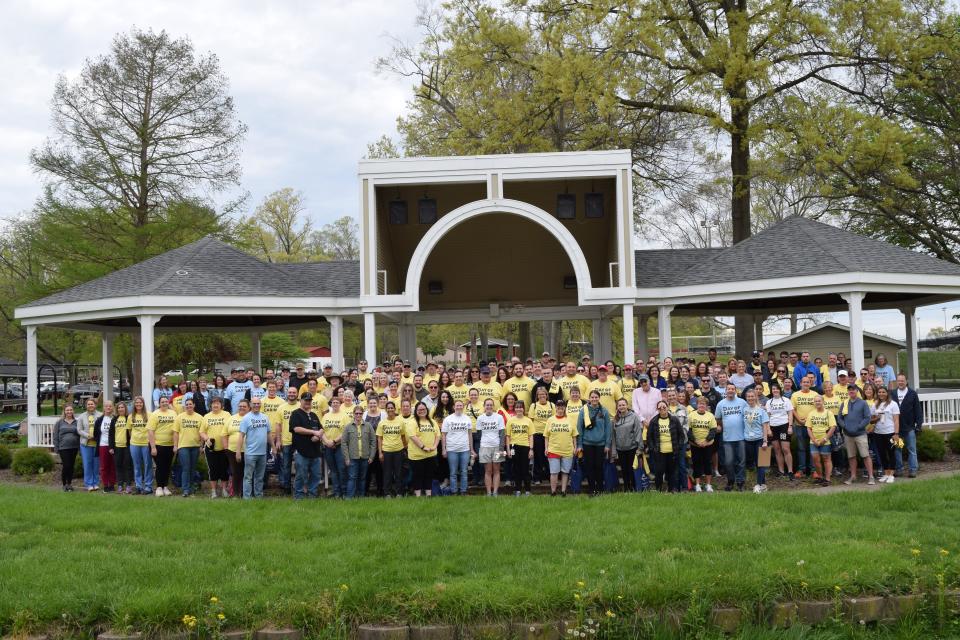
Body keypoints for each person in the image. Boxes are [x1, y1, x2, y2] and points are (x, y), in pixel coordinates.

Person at [838, 384, 875, 486]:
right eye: (849, 390)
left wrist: (858, 427)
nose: (851, 391)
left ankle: (871, 476)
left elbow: (867, 417)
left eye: (853, 389)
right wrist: (844, 426)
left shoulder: (863, 403)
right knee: (851, 456)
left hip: (860, 434)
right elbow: (840, 418)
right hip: (848, 434)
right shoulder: (844, 403)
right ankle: (853, 476)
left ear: (857, 391)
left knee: (865, 455)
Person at [289, 392, 324, 499]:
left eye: (309, 400)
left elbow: (321, 428)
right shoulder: (296, 413)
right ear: (300, 401)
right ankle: (298, 496)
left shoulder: (313, 415)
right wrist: (313, 433)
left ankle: (312, 495)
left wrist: (318, 436)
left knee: (316, 475)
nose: (308, 402)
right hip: (301, 451)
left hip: (315, 451)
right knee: (301, 475)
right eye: (306, 400)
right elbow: (296, 429)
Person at [578, 390, 612, 496]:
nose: (594, 399)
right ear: (589, 398)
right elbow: (579, 428)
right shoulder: (583, 411)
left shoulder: (604, 411)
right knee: (589, 467)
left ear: (599, 398)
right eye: (592, 397)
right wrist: (579, 445)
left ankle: (600, 489)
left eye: (596, 397)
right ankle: (592, 489)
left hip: (600, 444)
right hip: (587, 443)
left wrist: (607, 444)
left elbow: (608, 429)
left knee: (599, 466)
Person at [645, 400, 685, 492]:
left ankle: (672, 490)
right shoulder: (654, 421)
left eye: (664, 407)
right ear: (657, 409)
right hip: (659, 452)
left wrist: (678, 446)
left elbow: (681, 435)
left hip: (672, 451)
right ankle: (659, 490)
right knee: (659, 472)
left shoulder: (674, 420)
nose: (662, 409)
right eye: (660, 408)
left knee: (672, 472)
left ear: (667, 408)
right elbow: (649, 437)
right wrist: (652, 448)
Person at [715, 384, 748, 492]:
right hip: (727, 438)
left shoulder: (742, 402)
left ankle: (740, 482)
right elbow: (718, 419)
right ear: (726, 390)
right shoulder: (721, 404)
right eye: (728, 389)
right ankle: (730, 481)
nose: (730, 390)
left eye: (732, 389)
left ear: (735, 391)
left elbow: (748, 415)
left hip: (741, 437)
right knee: (728, 462)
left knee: (741, 461)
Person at [238, 397, 272, 499]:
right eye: (254, 404)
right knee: (248, 477)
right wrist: (238, 452)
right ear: (250, 405)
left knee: (260, 477)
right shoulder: (246, 418)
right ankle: (247, 498)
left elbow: (269, 433)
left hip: (263, 453)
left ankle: (258, 496)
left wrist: (273, 447)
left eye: (258, 403)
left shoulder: (265, 417)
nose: (256, 405)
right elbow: (241, 436)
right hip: (250, 453)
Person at [544, 400, 578, 497]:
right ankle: (553, 491)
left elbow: (574, 435)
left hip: (567, 450)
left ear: (565, 408)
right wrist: (546, 448)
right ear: (556, 408)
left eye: (562, 407)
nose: (560, 409)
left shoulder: (570, 420)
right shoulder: (550, 420)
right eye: (558, 407)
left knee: (565, 472)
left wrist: (575, 447)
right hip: (553, 449)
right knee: (554, 472)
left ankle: (563, 491)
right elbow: (546, 435)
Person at [441, 400, 475, 496]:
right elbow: (443, 435)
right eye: (457, 405)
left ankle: (463, 490)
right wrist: (444, 449)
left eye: (460, 405)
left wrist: (471, 449)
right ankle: (454, 491)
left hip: (465, 449)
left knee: (464, 471)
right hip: (452, 449)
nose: (459, 407)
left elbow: (469, 434)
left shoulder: (467, 418)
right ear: (453, 407)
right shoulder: (448, 419)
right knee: (453, 472)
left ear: (463, 407)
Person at [407, 401, 441, 497]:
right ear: (416, 411)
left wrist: (434, 446)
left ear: (427, 410)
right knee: (418, 476)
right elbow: (413, 437)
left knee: (429, 475)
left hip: (431, 454)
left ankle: (428, 495)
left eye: (423, 409)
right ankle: (418, 496)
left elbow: (437, 435)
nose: (422, 411)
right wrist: (423, 447)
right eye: (419, 409)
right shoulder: (412, 422)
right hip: (417, 455)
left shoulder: (432, 421)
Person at [199, 397, 231, 498]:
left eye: (217, 403)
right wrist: (206, 439)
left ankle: (224, 490)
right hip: (211, 448)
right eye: (213, 403)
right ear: (210, 405)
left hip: (224, 447)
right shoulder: (206, 416)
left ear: (221, 405)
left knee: (224, 469)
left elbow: (231, 429)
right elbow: (201, 431)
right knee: (213, 470)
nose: (215, 405)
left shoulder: (227, 415)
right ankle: (213, 491)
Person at [892, 373, 922, 478]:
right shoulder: (892, 393)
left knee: (911, 449)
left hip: (909, 428)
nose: (900, 382)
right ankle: (899, 469)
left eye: (902, 380)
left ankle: (913, 470)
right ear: (897, 381)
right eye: (899, 380)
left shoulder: (912, 393)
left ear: (906, 381)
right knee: (897, 449)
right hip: (896, 429)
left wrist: (919, 425)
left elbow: (918, 410)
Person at [344, 404, 377, 498]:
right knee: (352, 478)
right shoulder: (348, 427)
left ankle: (361, 497)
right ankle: (349, 498)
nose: (358, 415)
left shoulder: (368, 426)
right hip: (352, 457)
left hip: (365, 457)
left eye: (360, 413)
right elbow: (344, 443)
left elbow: (373, 441)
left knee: (362, 478)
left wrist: (371, 456)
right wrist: (346, 458)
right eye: (356, 413)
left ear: (363, 414)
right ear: (353, 414)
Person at [172, 398, 204, 497]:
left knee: (192, 468)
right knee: (186, 468)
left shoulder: (199, 417)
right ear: (184, 406)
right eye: (187, 404)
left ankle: (191, 488)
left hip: (195, 446)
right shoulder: (179, 417)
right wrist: (175, 446)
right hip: (183, 446)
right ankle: (185, 489)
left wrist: (201, 446)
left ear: (194, 405)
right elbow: (175, 433)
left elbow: (202, 432)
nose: (189, 406)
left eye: (190, 404)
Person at [476, 398, 507, 496]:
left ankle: (495, 492)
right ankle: (489, 492)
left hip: (497, 447)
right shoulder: (480, 418)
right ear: (484, 406)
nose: (489, 407)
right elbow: (479, 434)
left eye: (490, 405)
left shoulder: (499, 417)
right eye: (487, 405)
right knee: (488, 470)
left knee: (496, 470)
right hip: (485, 447)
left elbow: (502, 434)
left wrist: (501, 449)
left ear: (493, 406)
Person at [320, 396, 350, 498]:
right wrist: (327, 442)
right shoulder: (326, 416)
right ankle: (337, 493)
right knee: (333, 470)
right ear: (331, 404)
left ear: (340, 404)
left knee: (342, 469)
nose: (335, 404)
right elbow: (321, 431)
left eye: (337, 402)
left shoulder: (344, 416)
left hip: (339, 446)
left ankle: (344, 492)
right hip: (328, 446)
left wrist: (334, 441)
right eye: (333, 402)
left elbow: (346, 432)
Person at [791, 376, 820, 479]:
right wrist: (799, 420)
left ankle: (814, 470)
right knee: (801, 448)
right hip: (799, 425)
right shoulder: (795, 395)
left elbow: (818, 408)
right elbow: (793, 409)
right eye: (804, 382)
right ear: (800, 383)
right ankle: (801, 470)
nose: (806, 384)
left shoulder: (815, 394)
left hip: (812, 426)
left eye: (808, 382)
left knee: (813, 448)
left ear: (810, 383)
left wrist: (808, 420)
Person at [376, 401, 407, 498]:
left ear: (395, 409)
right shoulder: (382, 423)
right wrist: (380, 453)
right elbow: (379, 439)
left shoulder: (400, 421)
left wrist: (405, 448)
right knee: (387, 473)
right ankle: (387, 493)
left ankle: (399, 493)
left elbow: (403, 436)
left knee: (399, 473)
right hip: (387, 451)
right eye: (388, 408)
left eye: (391, 408)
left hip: (399, 450)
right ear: (386, 410)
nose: (390, 409)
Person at [743, 390, 771, 493]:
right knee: (755, 463)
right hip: (748, 440)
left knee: (762, 463)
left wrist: (765, 441)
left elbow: (765, 427)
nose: (750, 398)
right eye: (748, 396)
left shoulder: (761, 410)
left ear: (755, 397)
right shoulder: (744, 409)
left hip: (760, 439)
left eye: (752, 396)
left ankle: (758, 485)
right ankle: (763, 485)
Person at [764, 384, 794, 480]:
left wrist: (790, 426)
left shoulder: (786, 400)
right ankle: (781, 471)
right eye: (773, 389)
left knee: (786, 449)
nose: (775, 390)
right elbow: (767, 417)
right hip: (773, 427)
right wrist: (768, 429)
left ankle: (790, 471)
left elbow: (790, 414)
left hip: (783, 426)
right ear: (771, 390)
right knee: (777, 450)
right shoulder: (769, 402)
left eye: (777, 388)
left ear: (779, 390)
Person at [611, 398, 642, 492]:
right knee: (624, 470)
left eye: (623, 405)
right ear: (617, 407)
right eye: (619, 405)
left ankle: (633, 488)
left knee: (631, 469)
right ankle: (626, 488)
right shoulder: (615, 419)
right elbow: (613, 436)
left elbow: (638, 432)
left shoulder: (634, 416)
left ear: (627, 405)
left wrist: (639, 447)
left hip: (632, 448)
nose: (622, 407)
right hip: (620, 449)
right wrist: (614, 451)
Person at [688, 396, 717, 492]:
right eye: (700, 403)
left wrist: (706, 441)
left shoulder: (710, 416)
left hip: (708, 444)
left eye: (703, 404)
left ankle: (708, 485)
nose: (701, 405)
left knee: (708, 463)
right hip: (695, 444)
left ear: (706, 405)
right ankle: (697, 485)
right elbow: (689, 430)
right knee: (697, 464)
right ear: (697, 405)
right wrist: (695, 441)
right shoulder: (691, 415)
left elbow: (713, 430)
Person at [806, 395, 837, 487]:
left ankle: (827, 479)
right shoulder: (811, 413)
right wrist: (814, 440)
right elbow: (808, 428)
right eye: (815, 401)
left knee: (826, 459)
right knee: (816, 460)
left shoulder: (829, 413)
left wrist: (825, 439)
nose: (817, 403)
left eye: (819, 401)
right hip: (814, 441)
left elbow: (833, 427)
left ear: (823, 402)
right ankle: (820, 477)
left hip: (825, 440)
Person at [873, 386, 901, 483]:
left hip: (890, 432)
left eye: (883, 392)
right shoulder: (875, 404)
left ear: (887, 393)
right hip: (878, 433)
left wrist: (896, 433)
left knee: (891, 453)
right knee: (882, 454)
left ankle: (891, 474)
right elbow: (872, 418)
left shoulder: (893, 404)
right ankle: (886, 473)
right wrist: (875, 419)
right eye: (879, 392)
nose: (881, 394)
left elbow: (896, 420)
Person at [506, 400, 533, 496]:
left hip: (525, 446)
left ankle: (527, 490)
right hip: (514, 447)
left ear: (523, 409)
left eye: (520, 407)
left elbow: (530, 436)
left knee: (525, 469)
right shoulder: (511, 420)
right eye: (517, 407)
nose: (519, 409)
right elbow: (508, 436)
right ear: (515, 409)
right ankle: (517, 490)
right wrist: (508, 450)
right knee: (516, 469)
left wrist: (531, 449)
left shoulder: (528, 420)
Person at [128, 396, 152, 495]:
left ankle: (148, 486)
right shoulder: (131, 416)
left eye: (140, 403)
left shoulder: (149, 415)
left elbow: (151, 430)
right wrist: (134, 438)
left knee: (147, 465)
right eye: (137, 403)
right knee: (136, 465)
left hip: (146, 444)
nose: (138, 404)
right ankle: (138, 486)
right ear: (134, 404)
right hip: (134, 444)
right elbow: (129, 431)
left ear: (143, 404)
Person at [53, 405, 80, 492]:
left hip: (74, 447)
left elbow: (79, 434)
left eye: (70, 410)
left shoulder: (77, 422)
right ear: (64, 412)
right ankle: (64, 484)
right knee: (66, 465)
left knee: (71, 466)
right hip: (63, 447)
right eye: (67, 410)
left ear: (73, 411)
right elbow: (55, 436)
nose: (69, 412)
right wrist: (56, 448)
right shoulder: (59, 422)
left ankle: (69, 484)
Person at [76, 398, 101, 491]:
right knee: (87, 464)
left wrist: (97, 436)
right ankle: (89, 483)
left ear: (95, 405)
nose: (90, 406)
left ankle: (96, 482)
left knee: (96, 464)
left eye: (92, 404)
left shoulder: (100, 415)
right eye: (88, 404)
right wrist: (88, 435)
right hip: (85, 444)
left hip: (97, 444)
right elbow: (79, 430)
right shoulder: (81, 416)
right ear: (86, 406)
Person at [107, 401, 132, 494]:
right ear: (117, 409)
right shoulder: (114, 419)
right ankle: (120, 485)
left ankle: (128, 485)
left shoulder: (128, 418)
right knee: (118, 466)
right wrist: (111, 447)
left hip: (127, 446)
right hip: (117, 446)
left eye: (122, 407)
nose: (121, 409)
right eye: (119, 408)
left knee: (128, 466)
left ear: (125, 408)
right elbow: (111, 434)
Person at [225, 399, 249, 498]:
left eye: (244, 406)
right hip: (233, 450)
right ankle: (235, 494)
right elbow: (224, 434)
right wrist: (226, 448)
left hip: (248, 450)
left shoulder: (251, 417)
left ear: (249, 408)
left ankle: (245, 494)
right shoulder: (231, 418)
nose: (242, 408)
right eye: (240, 406)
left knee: (246, 473)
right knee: (235, 473)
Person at [94, 401, 117, 492]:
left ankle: (112, 484)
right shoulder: (99, 420)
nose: (108, 408)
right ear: (103, 408)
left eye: (110, 406)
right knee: (104, 467)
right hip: (103, 445)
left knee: (113, 466)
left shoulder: (116, 419)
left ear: (113, 408)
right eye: (106, 406)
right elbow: (96, 433)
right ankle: (105, 485)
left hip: (114, 445)